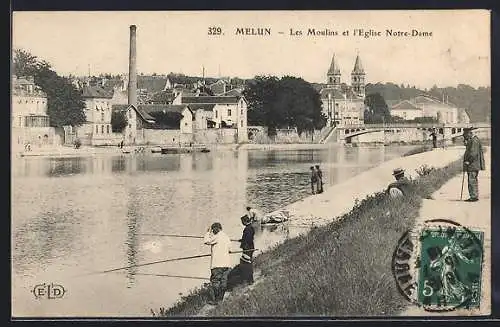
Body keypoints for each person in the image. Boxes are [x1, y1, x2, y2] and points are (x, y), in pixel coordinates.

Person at [203, 222, 232, 305]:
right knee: (223, 282)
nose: (212, 231)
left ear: (217, 228)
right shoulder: (226, 237)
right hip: (227, 264)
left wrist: (207, 233)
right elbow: (230, 250)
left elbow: (206, 241)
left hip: (217, 264)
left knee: (215, 281)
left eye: (213, 230)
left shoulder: (217, 236)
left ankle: (216, 300)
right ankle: (220, 300)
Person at [463, 128, 485, 202]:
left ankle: (474, 197)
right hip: (474, 164)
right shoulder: (473, 140)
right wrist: (466, 144)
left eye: (465, 135)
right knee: (473, 180)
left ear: (469, 133)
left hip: (473, 164)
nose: (464, 137)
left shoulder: (474, 141)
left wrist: (468, 161)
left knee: (472, 180)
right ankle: (474, 196)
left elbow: (473, 153)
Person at [238, 215, 255, 285]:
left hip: (247, 248)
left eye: (242, 222)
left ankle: (249, 280)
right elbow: (248, 238)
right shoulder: (250, 227)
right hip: (250, 247)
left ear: (244, 221)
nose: (242, 223)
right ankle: (249, 279)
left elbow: (248, 239)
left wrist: (243, 243)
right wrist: (242, 240)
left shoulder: (247, 229)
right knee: (247, 262)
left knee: (246, 263)